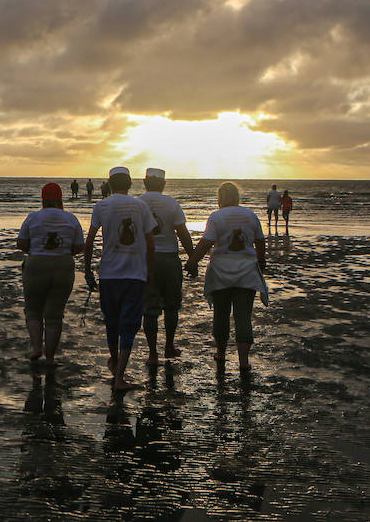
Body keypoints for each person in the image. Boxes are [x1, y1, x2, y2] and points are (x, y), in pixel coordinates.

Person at [84, 166, 156, 391]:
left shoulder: (102, 205)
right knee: (129, 325)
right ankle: (119, 376)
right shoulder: (141, 206)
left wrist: (87, 270)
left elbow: (90, 241)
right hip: (134, 274)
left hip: (109, 274)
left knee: (112, 322)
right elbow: (150, 242)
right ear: (129, 184)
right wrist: (150, 272)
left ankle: (115, 364)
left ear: (110, 184)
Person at [187, 181, 268, 373]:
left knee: (221, 313)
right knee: (243, 316)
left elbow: (207, 242)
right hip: (246, 271)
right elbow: (260, 241)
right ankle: (243, 361)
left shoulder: (217, 216)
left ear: (220, 198)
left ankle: (221, 353)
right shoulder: (250, 215)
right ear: (237, 197)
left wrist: (193, 261)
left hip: (221, 272)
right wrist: (261, 261)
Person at [17, 182, 84, 363]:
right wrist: (66, 251)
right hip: (63, 265)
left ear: (43, 198)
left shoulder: (33, 217)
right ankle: (51, 357)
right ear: (60, 198)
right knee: (55, 314)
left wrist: (36, 247)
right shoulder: (71, 218)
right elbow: (79, 245)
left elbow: (21, 244)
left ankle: (37, 348)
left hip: (37, 263)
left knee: (33, 309)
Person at [139, 167, 194, 366]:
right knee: (171, 306)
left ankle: (153, 354)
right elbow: (182, 233)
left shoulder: (138, 203)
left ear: (145, 182)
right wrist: (193, 258)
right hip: (170, 259)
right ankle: (169, 346)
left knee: (149, 308)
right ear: (163, 184)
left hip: (146, 260)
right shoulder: (171, 203)